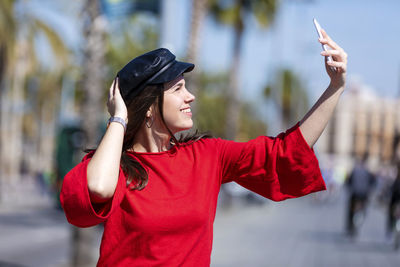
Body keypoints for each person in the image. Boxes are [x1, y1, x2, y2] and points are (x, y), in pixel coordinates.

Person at [60, 29, 347, 266]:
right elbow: (97, 188)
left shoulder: (207, 156)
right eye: (178, 89)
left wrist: (335, 87)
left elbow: (283, 151)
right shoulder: (116, 167)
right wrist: (119, 117)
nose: (191, 96)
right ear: (148, 107)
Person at [345, 154, 376, 236]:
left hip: (355, 193)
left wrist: (350, 187)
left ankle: (350, 226)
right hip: (364, 194)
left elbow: (349, 181)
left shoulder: (355, 170)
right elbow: (373, 182)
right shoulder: (368, 171)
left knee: (351, 210)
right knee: (364, 207)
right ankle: (362, 215)